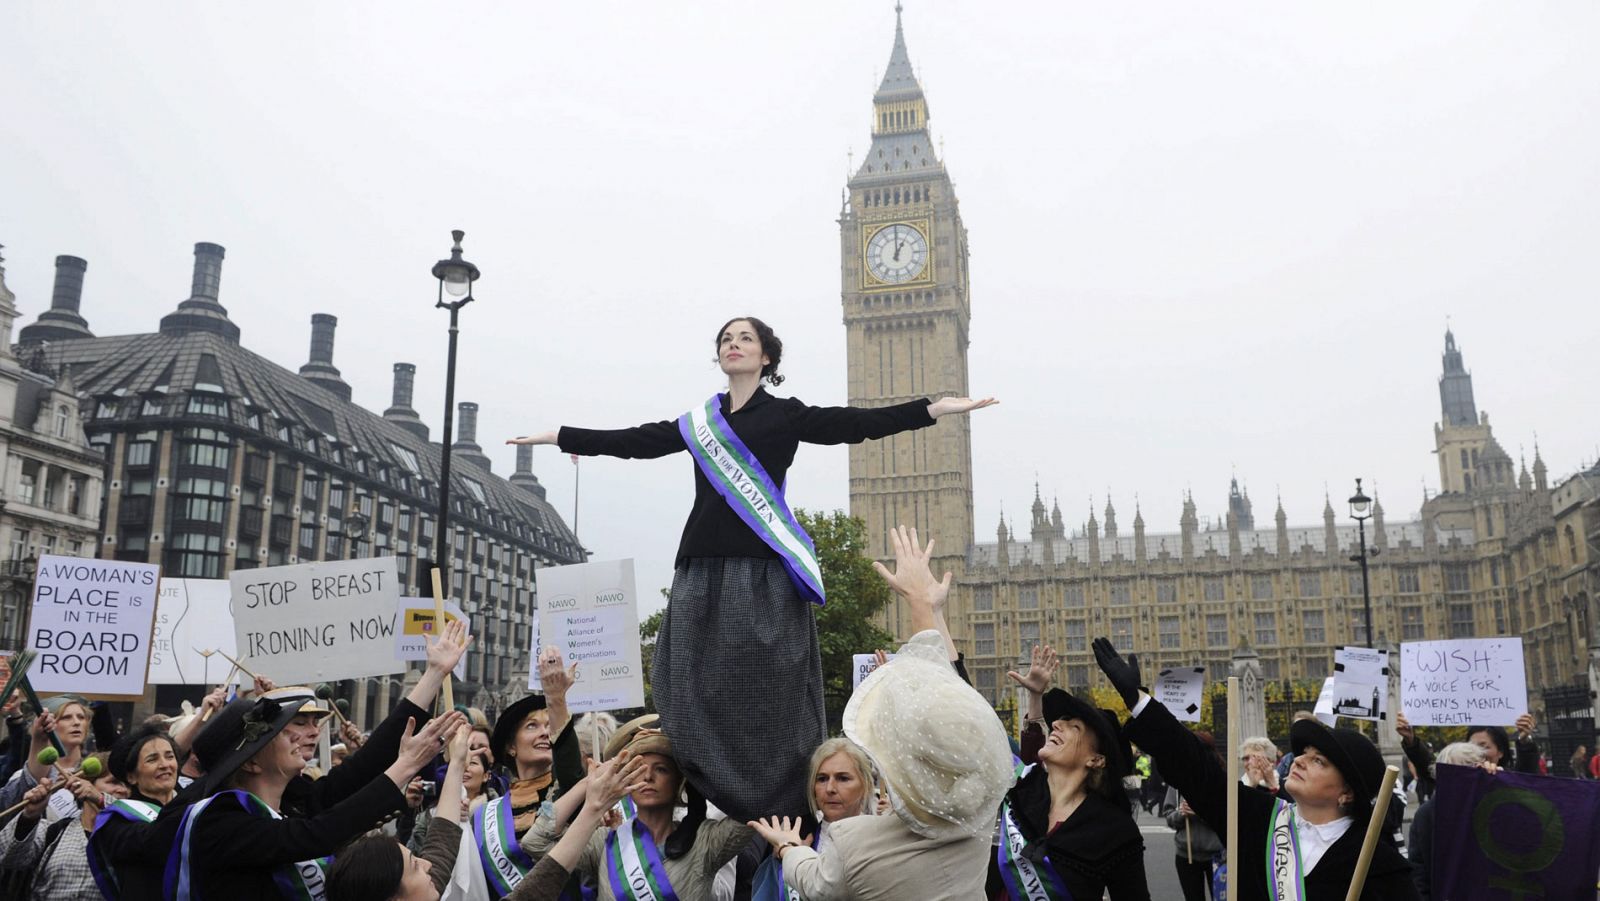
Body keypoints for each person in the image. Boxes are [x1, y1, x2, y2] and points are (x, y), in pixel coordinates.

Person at [508, 316, 996, 824]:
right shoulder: (700, 422)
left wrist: (933, 409)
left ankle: (786, 802)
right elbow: (638, 440)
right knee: (688, 687)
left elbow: (856, 423)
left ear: (766, 357)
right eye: (725, 339)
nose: (733, 345)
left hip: (762, 576)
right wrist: (561, 435)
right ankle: (706, 798)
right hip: (700, 571)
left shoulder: (784, 415)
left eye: (746, 339)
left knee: (769, 691)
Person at [1093, 638, 1417, 900]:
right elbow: (1196, 768)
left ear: (1347, 792)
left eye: (1319, 760)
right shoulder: (1256, 817)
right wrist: (1138, 700)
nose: (1300, 759)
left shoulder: (1377, 864)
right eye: (1304, 752)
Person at [166, 691, 466, 899]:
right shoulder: (218, 822)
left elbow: (359, 770)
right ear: (251, 762)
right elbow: (319, 834)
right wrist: (407, 764)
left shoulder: (294, 801)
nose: (301, 734)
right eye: (283, 732)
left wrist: (434, 673)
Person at [521, 714, 757, 900]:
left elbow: (756, 802)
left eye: (661, 769)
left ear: (678, 781)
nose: (648, 777)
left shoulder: (705, 840)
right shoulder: (603, 842)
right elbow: (536, 840)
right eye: (638, 769)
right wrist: (591, 781)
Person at [992, 686, 1149, 900]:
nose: (1055, 724)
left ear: (1096, 759)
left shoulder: (1114, 830)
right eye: (1058, 721)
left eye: (1074, 726)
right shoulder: (1019, 789)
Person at [325, 723, 478, 901]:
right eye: (415, 866)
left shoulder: (420, 892)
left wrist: (457, 762)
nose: (428, 864)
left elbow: (442, 841)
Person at [0, 750, 126, 899]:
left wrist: (100, 799)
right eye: (114, 782)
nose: (123, 790)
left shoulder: (133, 838)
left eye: (128, 785)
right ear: (87, 782)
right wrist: (29, 816)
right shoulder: (52, 831)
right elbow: (10, 858)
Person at [488, 648, 584, 838]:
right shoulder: (488, 816)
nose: (544, 733)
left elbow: (569, 771)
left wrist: (556, 698)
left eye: (549, 726)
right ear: (511, 747)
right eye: (532, 726)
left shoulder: (566, 792)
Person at [85, 724, 183, 897]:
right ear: (132, 777)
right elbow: (153, 841)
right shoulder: (117, 819)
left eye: (169, 756)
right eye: (152, 759)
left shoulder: (194, 806)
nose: (164, 765)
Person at [1406, 742, 1492, 900]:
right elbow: (1419, 873)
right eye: (1454, 772)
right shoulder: (1427, 815)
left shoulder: (1494, 806)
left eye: (1469, 770)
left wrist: (1501, 786)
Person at [408, 722, 498, 854]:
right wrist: (410, 807)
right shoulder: (432, 807)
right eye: (468, 746)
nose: (466, 764)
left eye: (473, 762)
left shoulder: (500, 806)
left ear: (486, 775)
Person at [0, 695, 93, 820]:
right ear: (49, 725)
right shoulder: (21, 776)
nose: (76, 722)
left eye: (81, 717)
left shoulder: (97, 774)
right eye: (66, 717)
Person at [1161, 737, 1225, 901]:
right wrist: (1181, 814)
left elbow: (1229, 817)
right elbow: (1169, 817)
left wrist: (1202, 811)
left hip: (1217, 856)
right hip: (1186, 855)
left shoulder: (1220, 780)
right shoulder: (1177, 781)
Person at [1466, 715, 1541, 774]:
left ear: (1500, 752)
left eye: (1483, 747)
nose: (1476, 753)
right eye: (1470, 747)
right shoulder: (1460, 780)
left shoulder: (1511, 783)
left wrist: (1524, 740)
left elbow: (1527, 774)